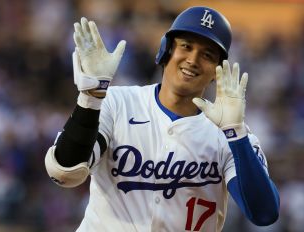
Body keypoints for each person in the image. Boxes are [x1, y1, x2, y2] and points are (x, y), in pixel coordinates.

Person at [45, 6, 280, 232]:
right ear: (166, 51)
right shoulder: (117, 102)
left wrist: (236, 134)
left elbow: (264, 214)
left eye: (207, 55)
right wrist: (91, 97)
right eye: (186, 46)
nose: (193, 59)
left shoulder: (230, 134)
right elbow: (66, 171)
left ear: (217, 71)